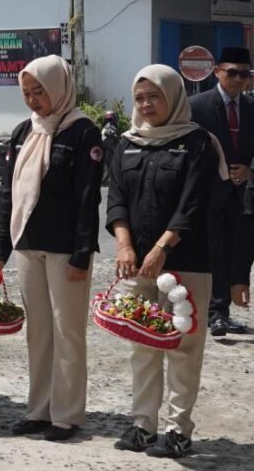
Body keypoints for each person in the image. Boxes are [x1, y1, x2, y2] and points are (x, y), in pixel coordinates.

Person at [108, 64, 223, 459]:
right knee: (142, 344)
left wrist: (162, 248)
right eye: (139, 97)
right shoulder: (126, 143)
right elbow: (117, 198)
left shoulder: (197, 143)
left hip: (184, 261)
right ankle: (142, 425)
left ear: (173, 96)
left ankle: (178, 430)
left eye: (154, 96)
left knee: (183, 347)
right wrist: (124, 245)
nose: (146, 104)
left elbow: (192, 203)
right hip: (137, 263)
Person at [0, 55, 102, 441]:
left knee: (67, 330)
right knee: (38, 331)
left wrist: (82, 253)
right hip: (27, 244)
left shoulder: (82, 131)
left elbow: (88, 197)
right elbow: (9, 195)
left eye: (40, 91)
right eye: (27, 93)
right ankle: (38, 409)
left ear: (59, 87)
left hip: (64, 248)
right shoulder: (24, 131)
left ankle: (67, 414)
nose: (34, 100)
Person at [189, 47, 254, 337]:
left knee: (234, 250)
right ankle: (212, 312)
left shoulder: (252, 108)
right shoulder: (197, 106)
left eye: (245, 74)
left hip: (242, 196)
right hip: (208, 194)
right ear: (217, 71)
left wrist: (250, 172)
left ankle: (222, 311)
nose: (239, 79)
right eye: (232, 72)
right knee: (211, 252)